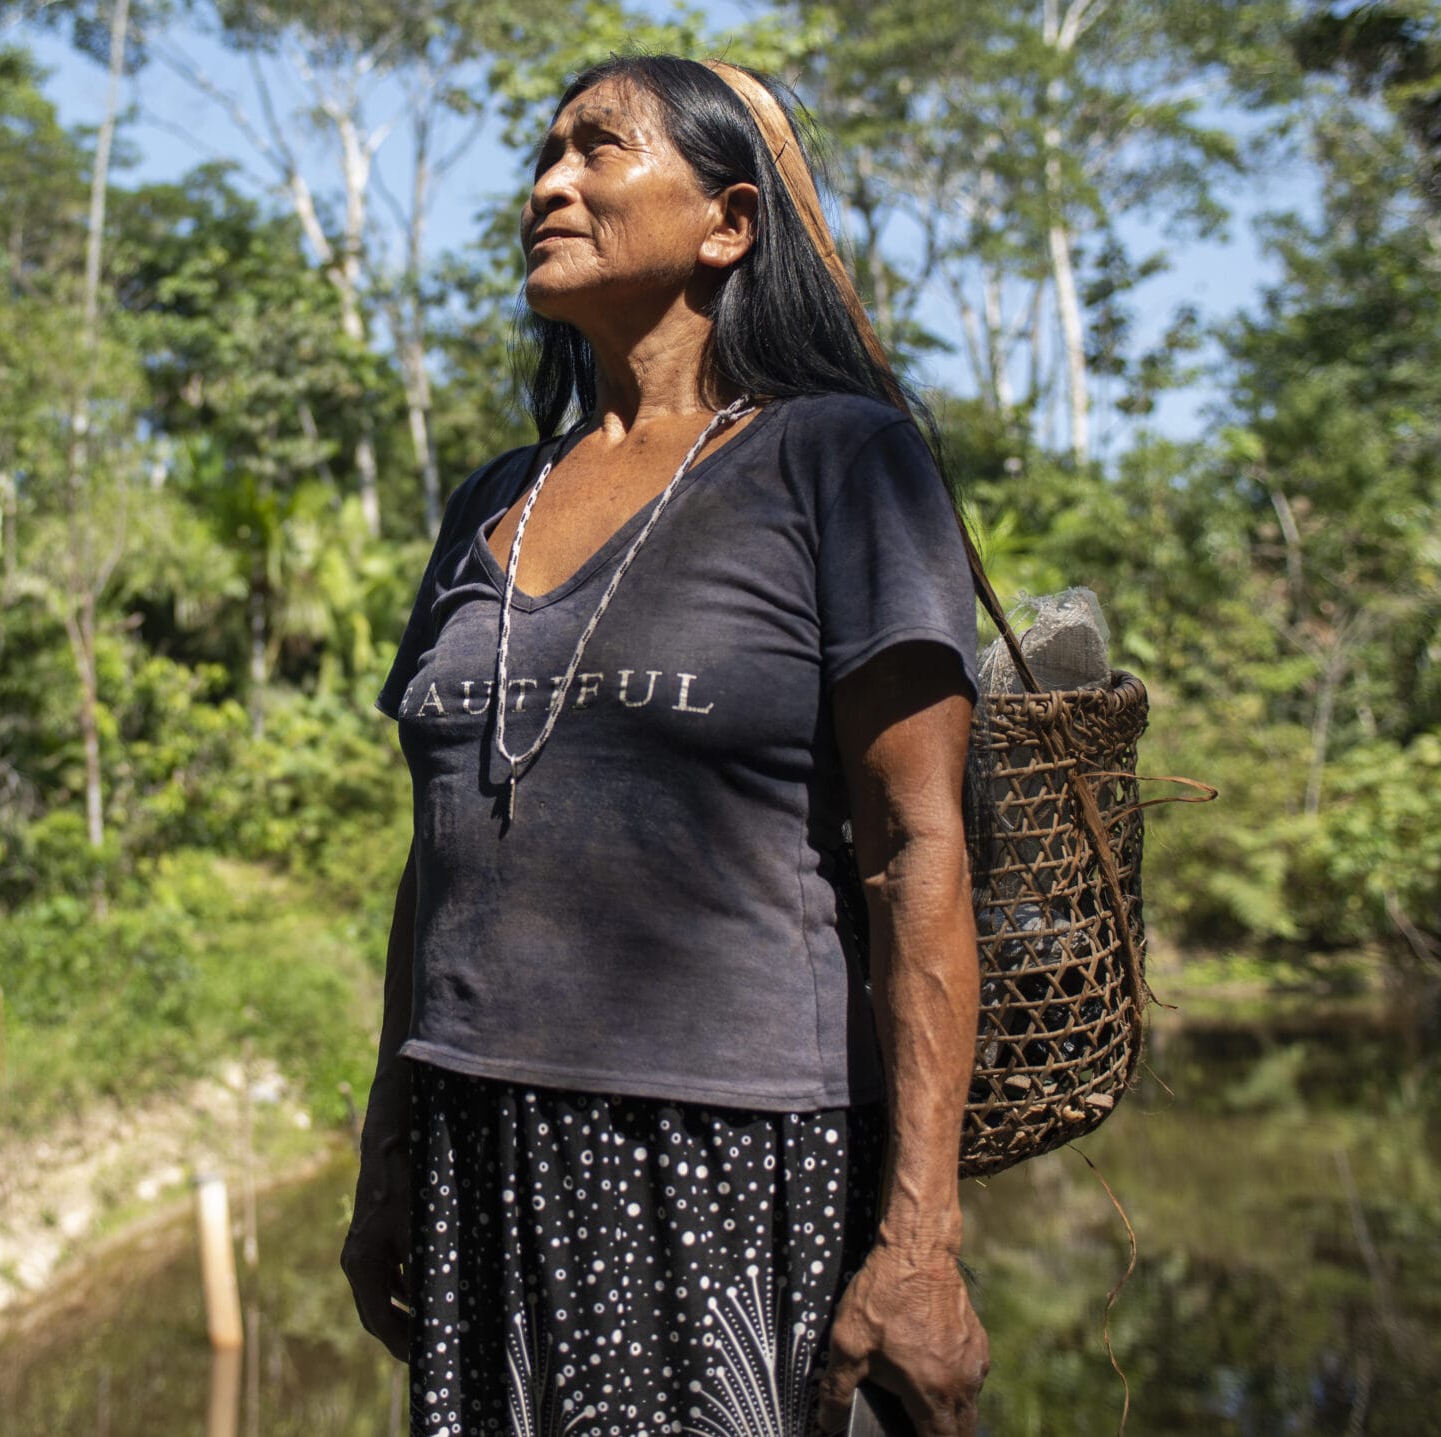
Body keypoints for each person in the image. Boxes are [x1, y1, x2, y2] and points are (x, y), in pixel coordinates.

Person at [337, 53, 994, 1437]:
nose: (548, 184)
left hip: (728, 1152)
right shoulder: (489, 506)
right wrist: (387, 1148)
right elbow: (436, 863)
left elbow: (918, 847)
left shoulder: (837, 464)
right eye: (543, 155)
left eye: (599, 149)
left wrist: (921, 1243)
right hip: (479, 1151)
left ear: (729, 225)